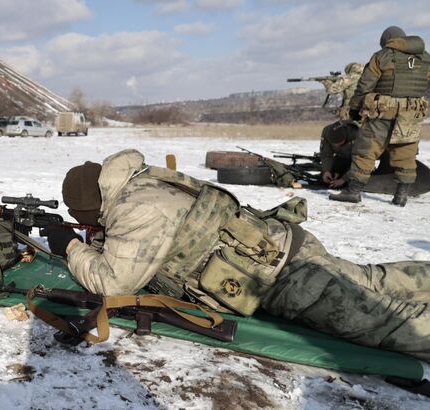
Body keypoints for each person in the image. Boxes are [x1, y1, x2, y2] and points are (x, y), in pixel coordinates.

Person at [43, 149, 430, 361]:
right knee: (370, 280)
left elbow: (113, 282)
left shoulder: (135, 209)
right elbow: (145, 244)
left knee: (390, 326)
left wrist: (70, 247)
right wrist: (95, 240)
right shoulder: (143, 181)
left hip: (284, 283)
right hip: (286, 245)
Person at [330, 26, 430, 206]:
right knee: (405, 152)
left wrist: (354, 108)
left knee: (366, 150)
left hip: (382, 112)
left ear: (387, 40)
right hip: (411, 114)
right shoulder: (426, 58)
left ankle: (353, 192)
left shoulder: (382, 56)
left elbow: (364, 86)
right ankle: (401, 195)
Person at [319, 120, 359, 188]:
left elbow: (361, 161)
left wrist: (343, 179)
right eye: (333, 144)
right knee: (326, 178)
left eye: (339, 143)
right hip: (341, 157)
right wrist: (326, 170)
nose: (335, 146)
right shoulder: (326, 132)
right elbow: (326, 154)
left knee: (355, 182)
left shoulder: (358, 135)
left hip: (356, 160)